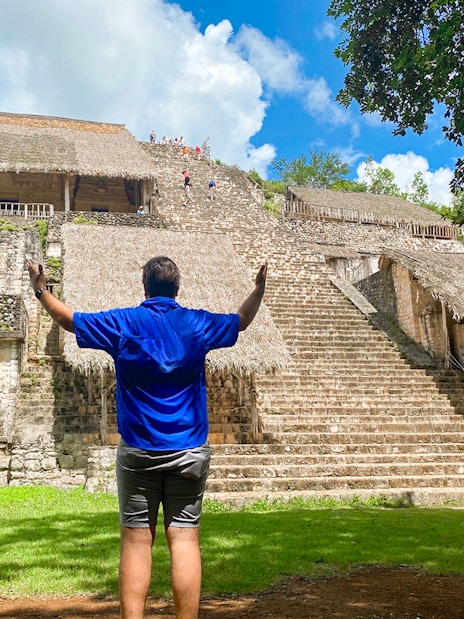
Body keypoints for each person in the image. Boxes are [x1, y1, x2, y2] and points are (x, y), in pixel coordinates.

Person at [26, 256, 267, 619]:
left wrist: (41, 289)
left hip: (139, 450)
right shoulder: (196, 323)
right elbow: (243, 320)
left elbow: (67, 320)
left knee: (137, 541)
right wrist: (259, 289)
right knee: (184, 538)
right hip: (189, 450)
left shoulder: (123, 323)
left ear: (144, 287)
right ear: (177, 289)